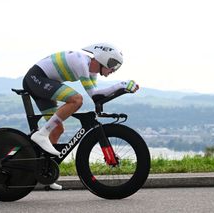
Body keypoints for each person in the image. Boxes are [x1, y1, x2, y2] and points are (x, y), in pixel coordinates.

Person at [22, 43, 139, 190]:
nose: (113, 70)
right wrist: (121, 85)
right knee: (76, 100)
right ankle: (42, 134)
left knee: (57, 130)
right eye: (113, 65)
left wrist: (122, 90)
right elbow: (94, 95)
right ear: (104, 59)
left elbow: (97, 97)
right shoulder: (82, 63)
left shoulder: (92, 72)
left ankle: (47, 173)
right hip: (36, 78)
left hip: (42, 81)